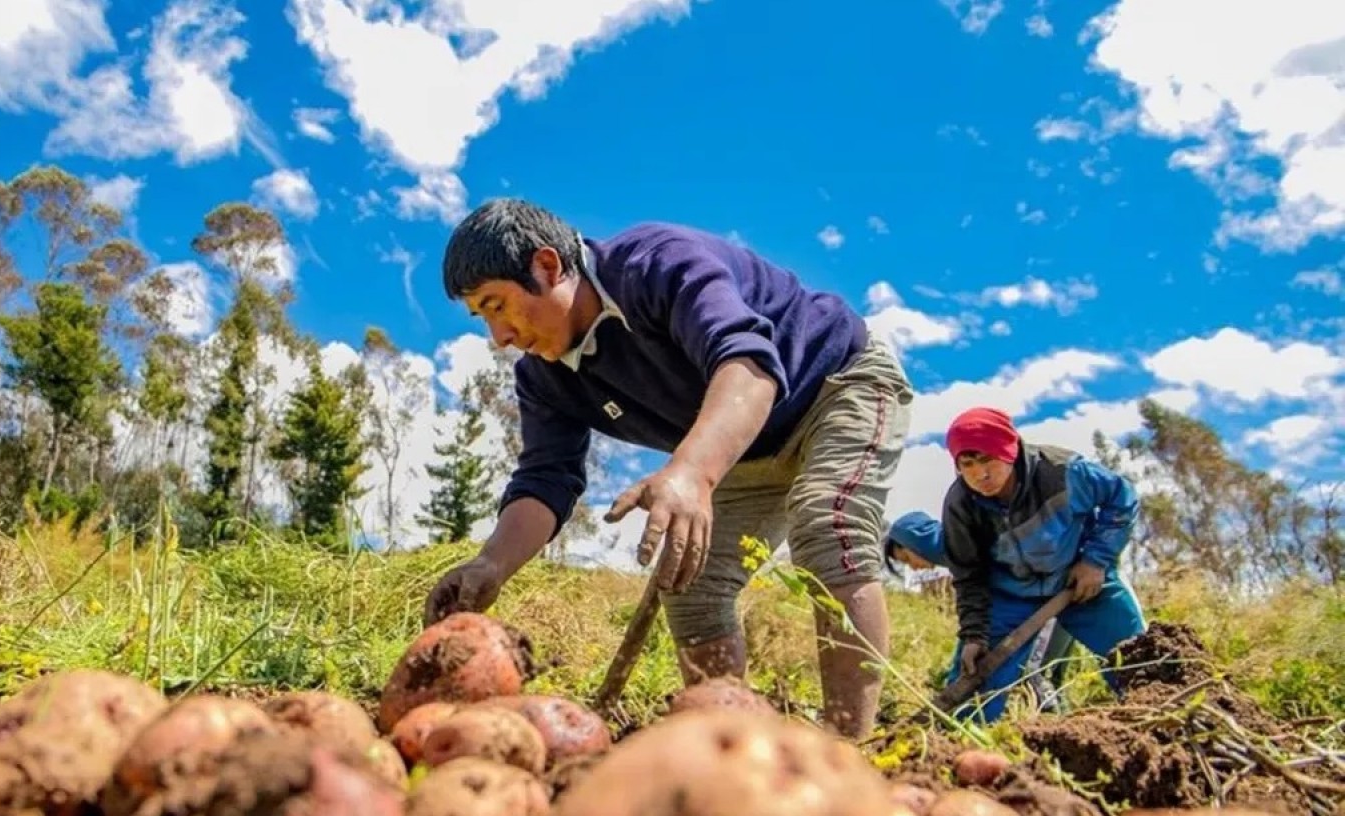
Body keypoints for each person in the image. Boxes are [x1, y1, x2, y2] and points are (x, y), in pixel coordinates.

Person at [422, 197, 914, 740]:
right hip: (747, 449)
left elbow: (748, 364)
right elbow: (546, 478)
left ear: (547, 265)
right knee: (690, 582)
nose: (500, 337)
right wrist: (491, 564)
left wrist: (692, 474)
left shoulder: (657, 263)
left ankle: (849, 748)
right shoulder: (544, 377)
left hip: (834, 386)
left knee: (827, 522)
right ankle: (729, 746)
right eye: (483, 318)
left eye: (497, 306)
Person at [938, 406, 1148, 722]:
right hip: (1010, 596)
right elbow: (969, 574)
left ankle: (1165, 719)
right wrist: (974, 634)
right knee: (973, 691)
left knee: (1139, 659)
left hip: (1079, 580)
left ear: (1009, 451)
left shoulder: (1062, 472)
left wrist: (1095, 561)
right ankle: (955, 744)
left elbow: (1121, 498)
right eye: (967, 464)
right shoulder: (961, 505)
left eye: (987, 459)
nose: (980, 475)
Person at [884, 510, 1078, 714]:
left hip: (1042, 599)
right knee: (1045, 675)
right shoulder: (961, 546)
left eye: (906, 558)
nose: (913, 568)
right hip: (1057, 592)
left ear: (914, 541)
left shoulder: (962, 544)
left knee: (1031, 673)